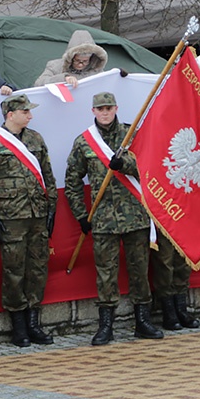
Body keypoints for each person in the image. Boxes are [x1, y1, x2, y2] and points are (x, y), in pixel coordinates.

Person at [65, 92, 162, 345]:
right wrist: (81, 215)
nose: (105, 113)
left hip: (135, 216)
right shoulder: (84, 142)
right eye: (100, 109)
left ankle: (143, 321)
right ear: (93, 111)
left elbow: (150, 165)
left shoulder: (132, 135)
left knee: (139, 270)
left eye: (109, 108)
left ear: (116, 108)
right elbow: (72, 181)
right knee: (105, 273)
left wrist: (126, 165)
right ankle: (106, 325)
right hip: (103, 219)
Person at [0, 95, 57, 347]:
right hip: (11, 217)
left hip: (37, 215)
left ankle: (33, 322)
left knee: (38, 268)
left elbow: (48, 174)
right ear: (11, 114)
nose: (30, 116)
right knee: (13, 271)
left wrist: (52, 208)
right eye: (25, 111)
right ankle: (18, 326)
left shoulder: (36, 139)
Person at [34, 29, 107, 87]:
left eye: (85, 61)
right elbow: (38, 83)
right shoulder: (55, 66)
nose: (80, 65)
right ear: (71, 58)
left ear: (91, 59)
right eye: (77, 60)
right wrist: (64, 78)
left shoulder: (97, 71)